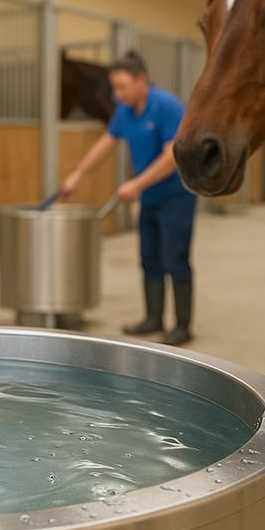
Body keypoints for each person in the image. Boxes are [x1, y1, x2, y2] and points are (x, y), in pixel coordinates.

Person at [59, 51, 197, 345]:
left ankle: (183, 325)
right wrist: (77, 175)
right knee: (149, 258)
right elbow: (106, 143)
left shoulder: (166, 106)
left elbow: (171, 154)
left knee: (175, 258)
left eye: (122, 87)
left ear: (141, 81)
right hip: (149, 197)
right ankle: (153, 318)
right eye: (114, 88)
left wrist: (137, 183)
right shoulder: (124, 111)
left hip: (175, 196)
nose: (117, 94)